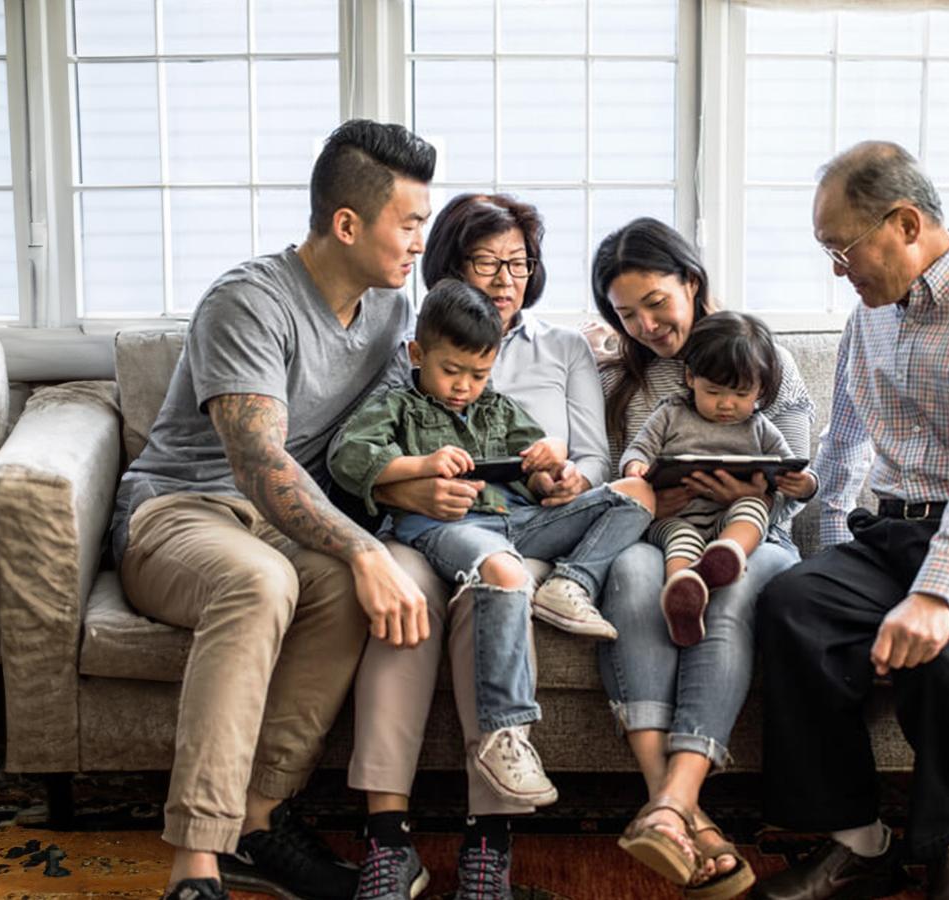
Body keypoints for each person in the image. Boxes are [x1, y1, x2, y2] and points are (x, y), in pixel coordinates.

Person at [109, 120, 435, 900]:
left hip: (286, 526)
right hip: (183, 512)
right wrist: (363, 548)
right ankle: (196, 864)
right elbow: (259, 463)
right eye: (410, 223)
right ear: (347, 223)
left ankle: (257, 823)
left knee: (347, 597)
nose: (419, 241)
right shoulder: (248, 301)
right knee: (262, 584)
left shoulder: (392, 307)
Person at [750, 141, 949, 900]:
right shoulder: (869, 319)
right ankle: (857, 838)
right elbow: (844, 444)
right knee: (793, 608)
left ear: (904, 222)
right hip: (895, 530)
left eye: (841, 247)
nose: (837, 268)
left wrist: (933, 594)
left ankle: (948, 844)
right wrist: (817, 543)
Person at [343, 193, 614, 900]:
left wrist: (562, 476)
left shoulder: (562, 348)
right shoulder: (406, 337)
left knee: (500, 588)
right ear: (448, 268)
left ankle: (489, 839)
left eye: (518, 263)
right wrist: (412, 487)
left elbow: (594, 460)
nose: (504, 277)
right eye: (485, 261)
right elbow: (363, 449)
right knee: (405, 604)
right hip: (421, 523)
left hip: (518, 528)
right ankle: (387, 839)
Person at [328, 280, 655, 809]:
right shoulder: (397, 406)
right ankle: (505, 737)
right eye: (450, 371)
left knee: (636, 492)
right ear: (417, 354)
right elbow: (349, 457)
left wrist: (554, 475)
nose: (463, 387)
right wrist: (419, 466)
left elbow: (535, 477)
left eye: (478, 374)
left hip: (518, 520)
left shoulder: (498, 409)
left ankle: (572, 582)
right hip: (441, 529)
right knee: (506, 573)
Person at [592, 218, 815, 900]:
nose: (646, 325)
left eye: (655, 302)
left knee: (736, 587)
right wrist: (650, 502)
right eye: (627, 315)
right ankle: (690, 817)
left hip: (753, 535)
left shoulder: (760, 354)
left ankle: (673, 800)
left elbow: (796, 479)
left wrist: (753, 493)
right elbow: (623, 477)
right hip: (663, 533)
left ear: (692, 280)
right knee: (631, 574)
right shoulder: (637, 377)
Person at [619, 310, 813, 647]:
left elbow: (792, 468)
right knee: (678, 540)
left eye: (740, 395)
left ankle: (725, 556)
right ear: (691, 377)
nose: (726, 404)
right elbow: (638, 450)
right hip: (679, 517)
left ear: (760, 390)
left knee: (753, 507)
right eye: (713, 392)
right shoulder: (670, 413)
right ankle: (682, 594)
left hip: (730, 518)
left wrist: (806, 485)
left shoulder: (759, 426)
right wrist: (635, 469)